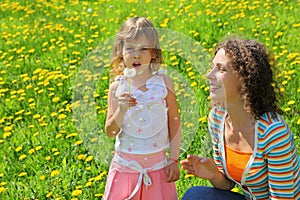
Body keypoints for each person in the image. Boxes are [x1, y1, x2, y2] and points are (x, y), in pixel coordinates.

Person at [180, 38, 300, 200]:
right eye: (212, 67)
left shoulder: (273, 132)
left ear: (245, 78)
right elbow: (228, 185)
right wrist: (214, 174)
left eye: (221, 69)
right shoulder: (217, 118)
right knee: (196, 195)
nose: (209, 75)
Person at [104, 16, 181, 200]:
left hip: (158, 167)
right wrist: (121, 110)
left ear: (153, 52)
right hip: (126, 168)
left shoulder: (163, 83)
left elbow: (174, 120)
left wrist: (174, 158)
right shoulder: (118, 87)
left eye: (143, 48)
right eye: (130, 48)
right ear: (121, 52)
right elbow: (110, 131)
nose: (136, 54)